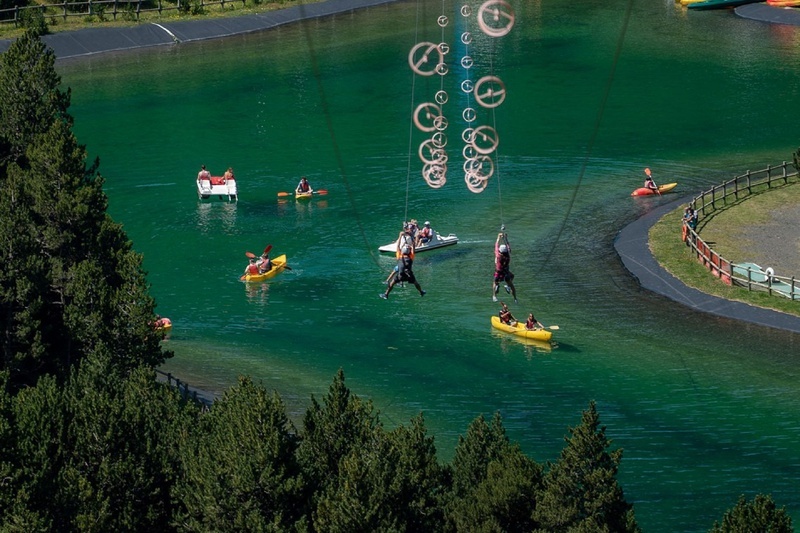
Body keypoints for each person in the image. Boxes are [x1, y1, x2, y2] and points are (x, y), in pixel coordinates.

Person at [493, 232, 517, 303]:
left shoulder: (498, 255)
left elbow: (496, 246)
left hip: (498, 271)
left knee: (495, 282)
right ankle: (515, 298)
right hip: (505, 272)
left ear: (500, 251)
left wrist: (498, 237)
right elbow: (508, 246)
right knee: (512, 277)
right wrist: (506, 238)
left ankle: (494, 295)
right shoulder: (508, 256)